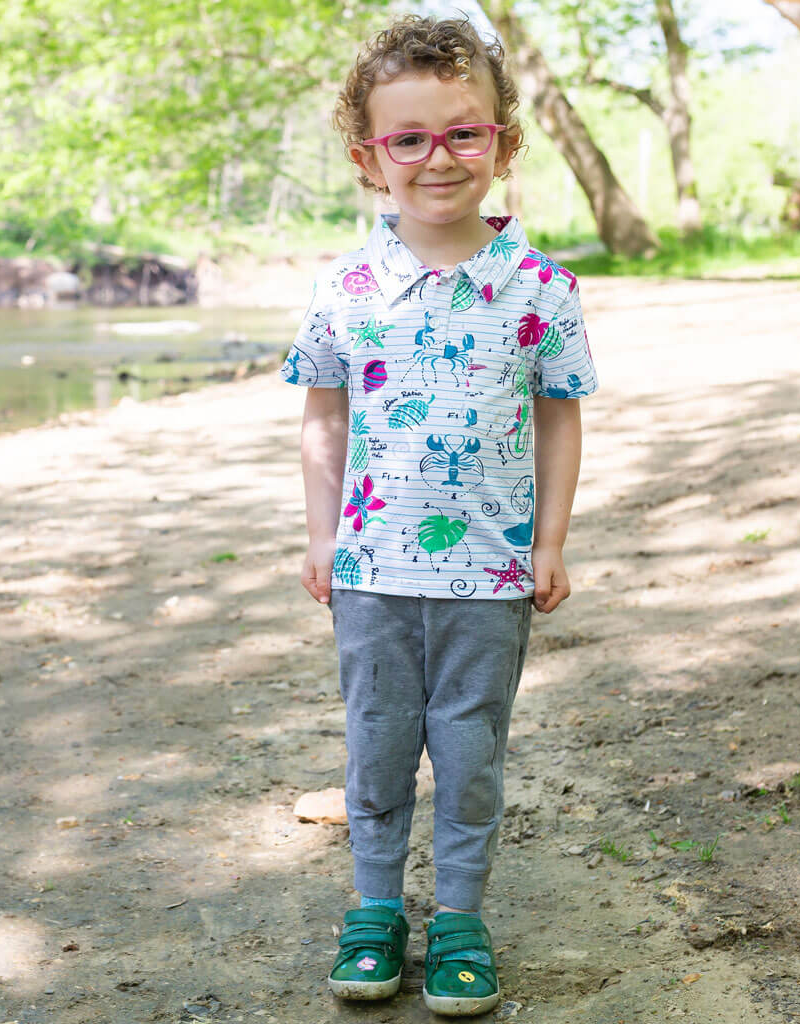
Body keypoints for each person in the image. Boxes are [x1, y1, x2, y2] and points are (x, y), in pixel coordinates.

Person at [280, 14, 597, 1016]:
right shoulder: (344, 287)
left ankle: (459, 915)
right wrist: (320, 532)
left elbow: (557, 422)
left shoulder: (541, 290)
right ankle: (375, 907)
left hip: (489, 581)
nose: (437, 157)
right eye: (406, 138)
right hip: (372, 574)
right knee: (375, 742)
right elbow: (324, 419)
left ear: (502, 142)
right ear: (370, 157)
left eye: (463, 133)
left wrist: (548, 539)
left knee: (469, 751)